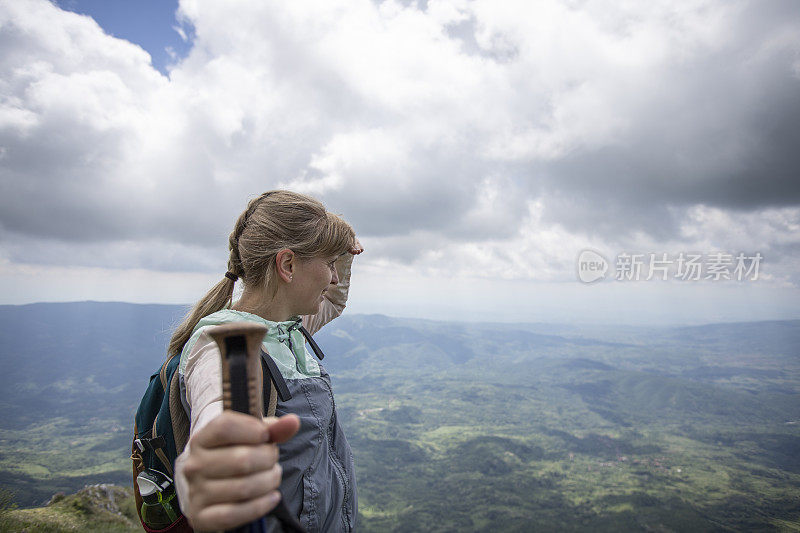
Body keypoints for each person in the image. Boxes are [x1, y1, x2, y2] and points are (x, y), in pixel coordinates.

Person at [168, 190, 363, 532]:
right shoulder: (226, 346)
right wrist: (211, 470)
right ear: (288, 265)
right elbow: (217, 415)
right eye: (329, 264)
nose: (334, 277)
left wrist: (342, 247)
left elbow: (334, 298)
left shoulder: (288, 326)